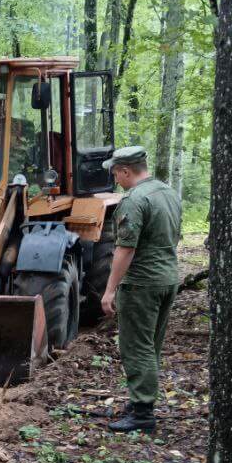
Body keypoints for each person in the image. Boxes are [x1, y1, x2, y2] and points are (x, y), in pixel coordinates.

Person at [100, 145, 182, 433]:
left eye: (115, 173)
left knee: (137, 347)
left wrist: (110, 290)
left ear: (125, 170)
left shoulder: (134, 199)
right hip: (168, 278)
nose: (115, 179)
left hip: (142, 283)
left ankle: (143, 412)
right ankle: (139, 402)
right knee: (152, 345)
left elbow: (125, 249)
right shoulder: (167, 192)